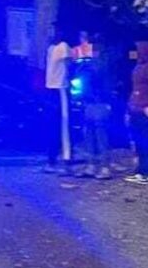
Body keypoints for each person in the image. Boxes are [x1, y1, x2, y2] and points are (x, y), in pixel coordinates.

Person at [124, 40, 148, 184]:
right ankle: (141, 170)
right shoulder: (139, 67)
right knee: (139, 141)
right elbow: (136, 89)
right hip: (137, 109)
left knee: (147, 141)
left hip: (146, 110)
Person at [72, 43, 113, 180]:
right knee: (96, 133)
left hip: (94, 103)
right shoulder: (104, 66)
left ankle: (97, 165)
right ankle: (99, 165)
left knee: (94, 134)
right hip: (97, 103)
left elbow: (85, 82)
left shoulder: (94, 66)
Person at [42, 27, 73, 174]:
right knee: (63, 125)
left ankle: (54, 159)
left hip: (53, 88)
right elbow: (71, 63)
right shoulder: (62, 47)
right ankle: (65, 158)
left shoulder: (54, 48)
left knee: (54, 125)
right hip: (59, 88)